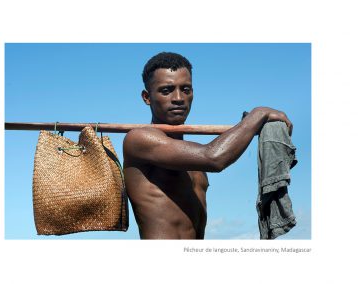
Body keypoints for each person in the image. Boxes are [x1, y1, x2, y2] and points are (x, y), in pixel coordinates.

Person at [123, 52, 292, 239]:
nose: (178, 98)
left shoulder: (191, 156)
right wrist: (258, 115)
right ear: (147, 97)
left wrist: (247, 128)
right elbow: (214, 158)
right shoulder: (139, 140)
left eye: (186, 89)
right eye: (166, 90)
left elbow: (218, 151)